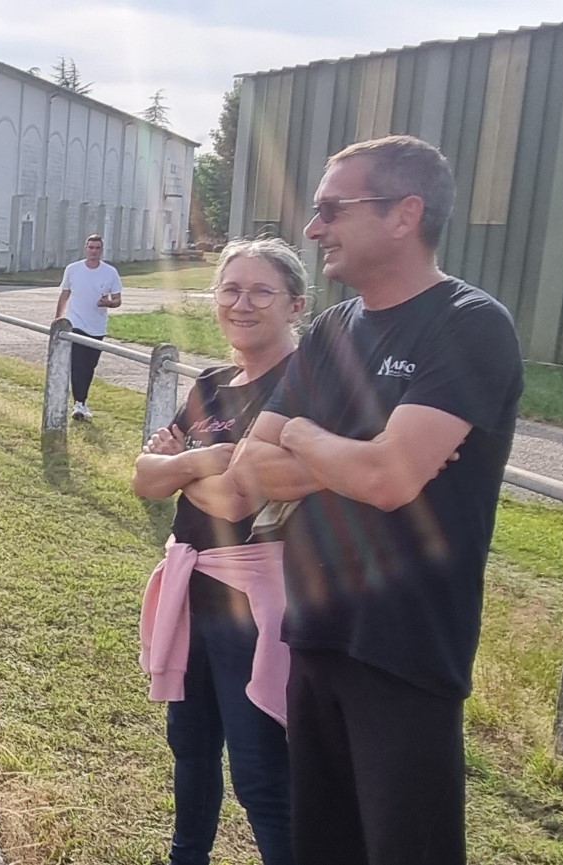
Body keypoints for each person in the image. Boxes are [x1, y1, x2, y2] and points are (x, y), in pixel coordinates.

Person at [226, 135, 523, 865]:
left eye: (332, 208)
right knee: (322, 847)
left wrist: (303, 433)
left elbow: (390, 481)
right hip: (317, 631)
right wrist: (359, 456)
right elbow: (248, 468)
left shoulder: (468, 324)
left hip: (406, 650)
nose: (313, 227)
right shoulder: (331, 330)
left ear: (404, 214)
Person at [133, 238, 308, 865]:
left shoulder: (302, 384)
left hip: (253, 603)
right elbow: (143, 479)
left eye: (261, 290)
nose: (242, 303)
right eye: (230, 289)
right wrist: (202, 462)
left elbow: (239, 501)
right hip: (192, 589)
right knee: (191, 750)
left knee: (261, 774)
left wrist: (178, 466)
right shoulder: (210, 384)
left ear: (295, 303)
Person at [53, 234, 123, 420]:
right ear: (85, 248)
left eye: (97, 248)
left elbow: (117, 300)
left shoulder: (110, 272)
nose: (93, 251)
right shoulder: (73, 269)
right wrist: (58, 319)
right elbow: (65, 294)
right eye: (90, 247)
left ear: (101, 250)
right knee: (78, 364)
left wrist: (108, 303)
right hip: (75, 323)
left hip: (97, 327)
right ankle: (78, 403)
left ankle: (82, 401)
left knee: (89, 366)